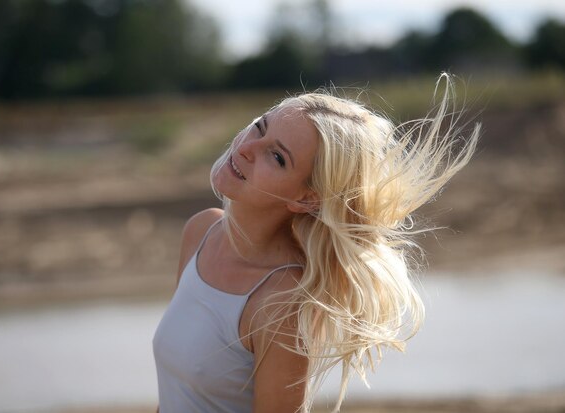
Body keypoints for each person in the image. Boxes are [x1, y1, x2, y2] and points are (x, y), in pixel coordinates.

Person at [152, 73, 479, 413]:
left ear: (306, 199)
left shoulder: (280, 303)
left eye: (277, 157)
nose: (246, 148)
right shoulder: (202, 230)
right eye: (260, 127)